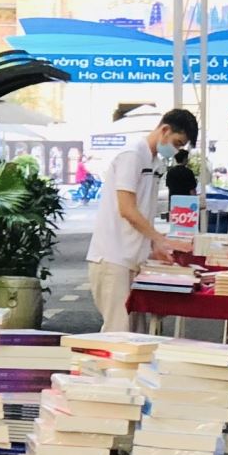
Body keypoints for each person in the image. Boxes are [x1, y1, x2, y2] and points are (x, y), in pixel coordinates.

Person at [85, 108, 198, 332]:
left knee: (135, 335)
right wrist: (159, 240)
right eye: (176, 142)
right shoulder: (132, 155)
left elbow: (143, 213)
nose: (175, 150)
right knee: (119, 335)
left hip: (131, 259)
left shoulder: (154, 161)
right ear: (164, 130)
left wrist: (154, 245)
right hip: (113, 258)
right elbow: (127, 209)